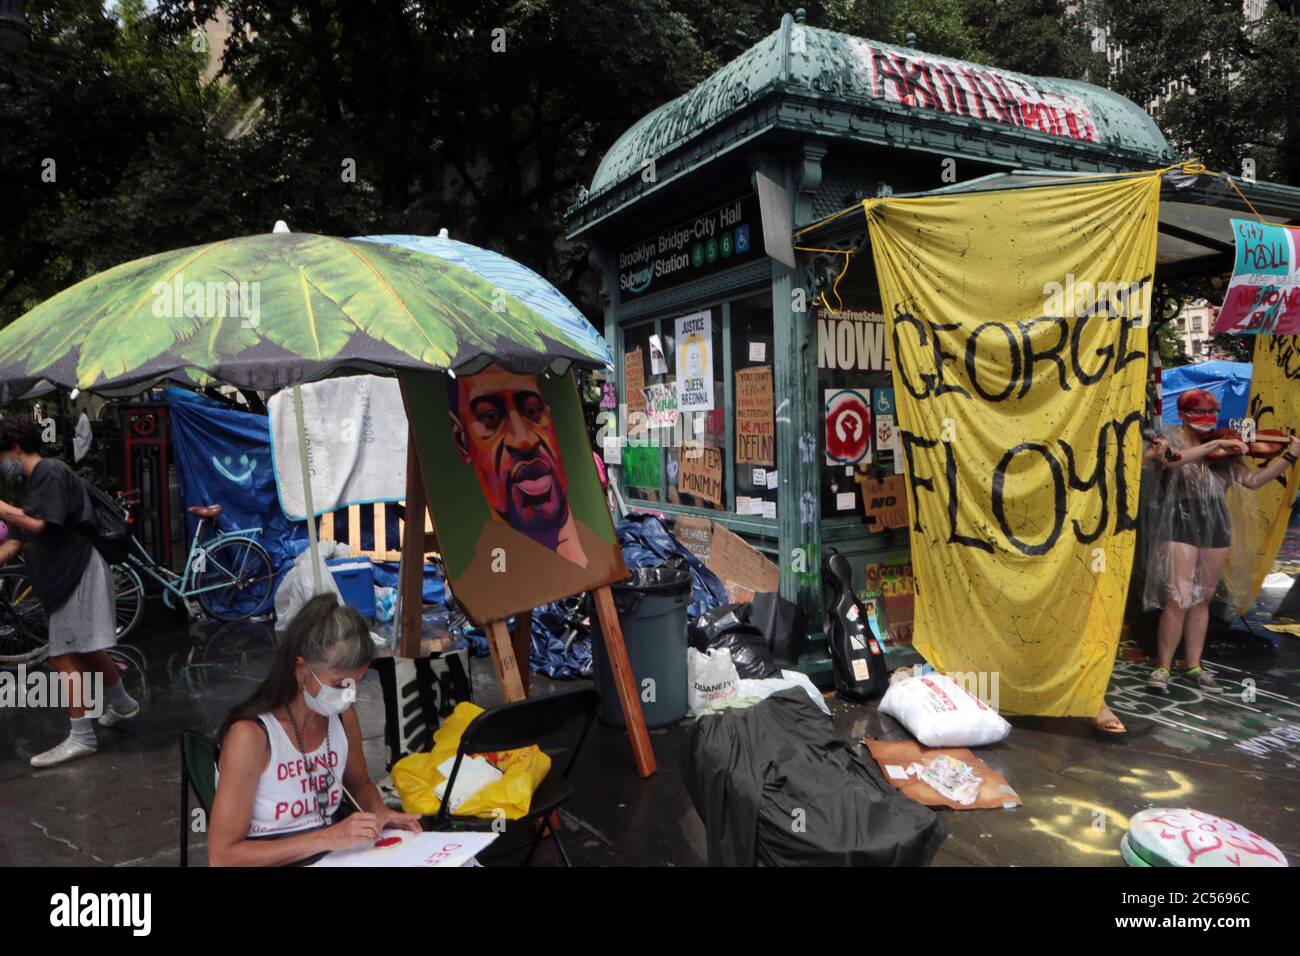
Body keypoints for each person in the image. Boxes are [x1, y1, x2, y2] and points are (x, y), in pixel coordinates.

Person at [208, 594, 420, 866]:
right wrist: (326, 838)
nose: (349, 695)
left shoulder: (342, 719)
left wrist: (379, 812)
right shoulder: (251, 737)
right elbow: (222, 856)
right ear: (300, 669)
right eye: (339, 683)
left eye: (356, 683)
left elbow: (360, 784)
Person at [0, 417, 139, 768]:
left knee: (63, 656)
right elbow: (17, 541)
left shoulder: (51, 472)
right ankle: (122, 704)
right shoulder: (32, 484)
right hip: (66, 576)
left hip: (77, 572)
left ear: (15, 448)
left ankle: (82, 737)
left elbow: (37, 523)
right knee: (88, 648)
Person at [1141, 389, 1300, 694]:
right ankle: (1162, 667)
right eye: (1202, 411)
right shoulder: (1171, 437)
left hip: (1216, 524)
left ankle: (1194, 665)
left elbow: (1253, 482)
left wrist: (1290, 456)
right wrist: (1215, 443)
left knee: (1203, 598)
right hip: (1180, 520)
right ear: (1185, 413)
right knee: (1179, 597)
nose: (1209, 418)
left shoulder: (1225, 450)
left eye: (1213, 412)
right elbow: (1173, 461)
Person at [447, 365, 588, 567]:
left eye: (532, 410)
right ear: (463, 442)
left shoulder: (600, 553)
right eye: (490, 417)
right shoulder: (480, 578)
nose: (523, 440)